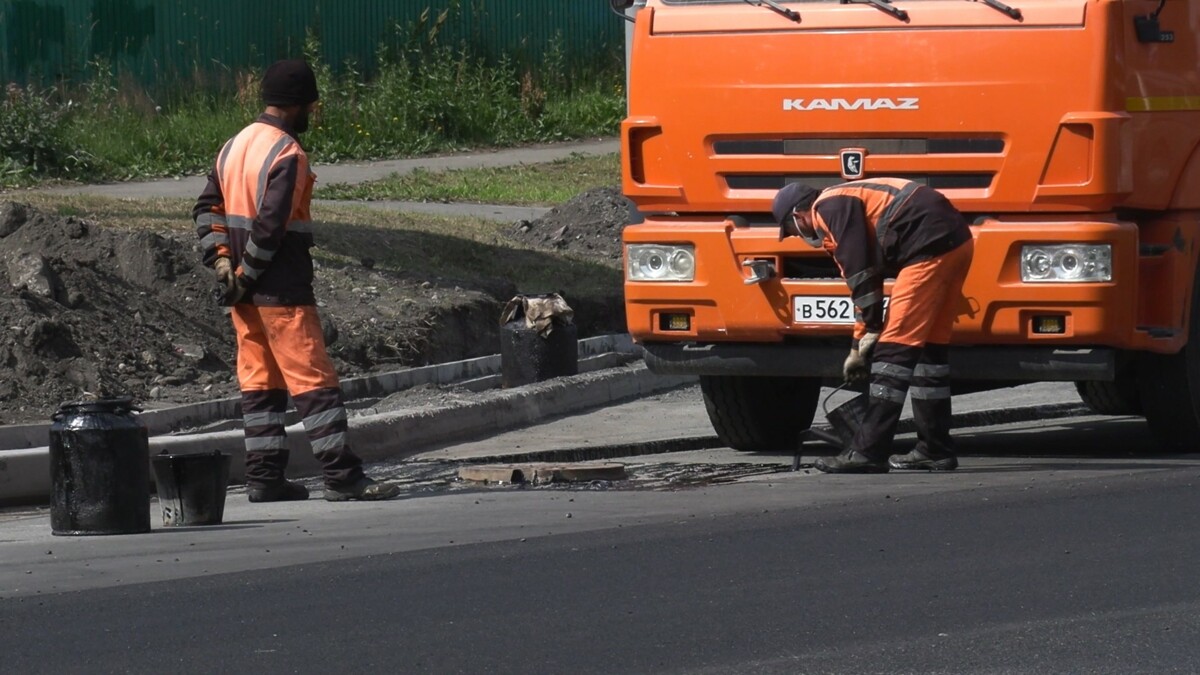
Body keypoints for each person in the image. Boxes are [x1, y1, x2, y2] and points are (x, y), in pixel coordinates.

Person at [192, 59, 400, 502]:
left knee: (261, 384)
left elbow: (206, 207)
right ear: (299, 105)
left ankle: (265, 478)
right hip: (281, 290)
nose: (312, 113)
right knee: (314, 383)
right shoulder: (288, 153)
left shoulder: (234, 145)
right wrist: (247, 272)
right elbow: (271, 226)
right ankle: (343, 477)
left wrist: (224, 264)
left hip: (244, 297)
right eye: (311, 105)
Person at [773, 178, 974, 473]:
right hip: (955, 242)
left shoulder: (828, 208)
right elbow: (866, 278)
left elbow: (862, 276)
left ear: (797, 215)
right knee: (928, 354)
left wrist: (866, 340)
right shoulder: (842, 199)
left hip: (927, 246)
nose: (798, 236)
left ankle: (868, 451)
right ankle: (935, 449)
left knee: (892, 355)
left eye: (791, 231)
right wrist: (860, 342)